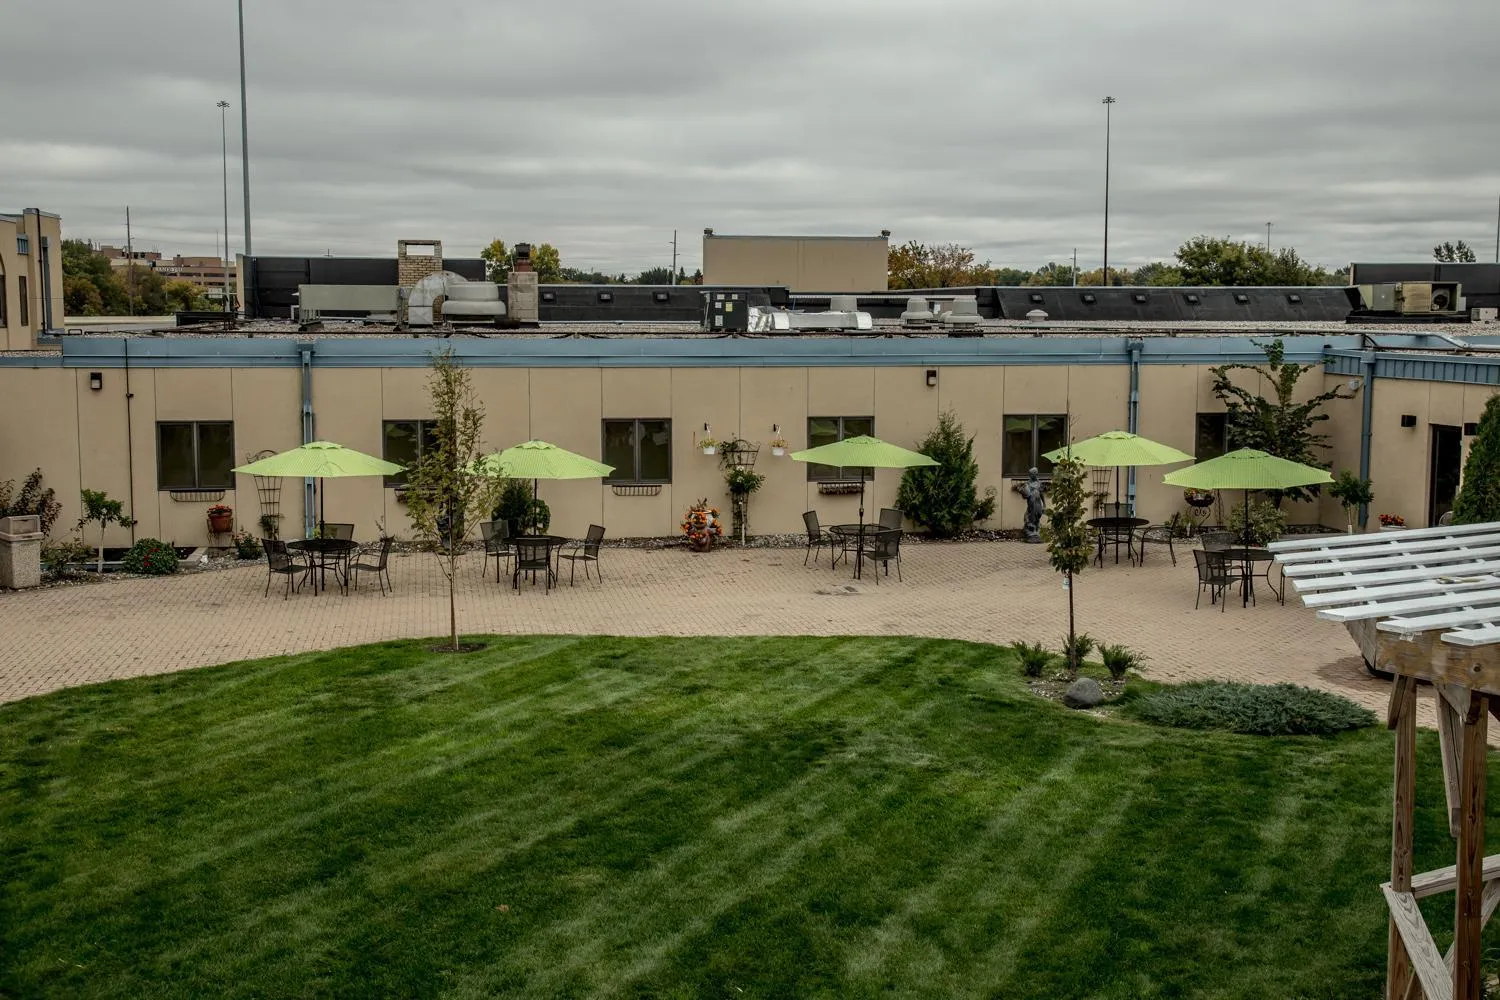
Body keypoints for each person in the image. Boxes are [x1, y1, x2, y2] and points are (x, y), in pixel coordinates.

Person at [1018, 467, 1046, 543]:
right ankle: (1031, 531)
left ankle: (1037, 531)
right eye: (1029, 474)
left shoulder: (1039, 483)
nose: (1030, 475)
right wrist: (1023, 492)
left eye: (1032, 474)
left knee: (1038, 515)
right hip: (1031, 502)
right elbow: (1025, 496)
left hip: (1038, 502)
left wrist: (1044, 505)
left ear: (1035, 474)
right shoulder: (1027, 484)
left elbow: (1042, 495)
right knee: (1031, 515)